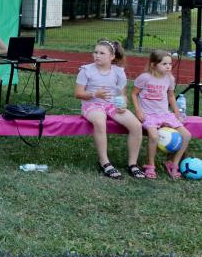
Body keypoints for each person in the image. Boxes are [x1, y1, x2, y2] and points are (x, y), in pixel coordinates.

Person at [74, 39, 145, 179]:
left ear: (112, 56)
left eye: (102, 53)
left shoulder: (118, 72)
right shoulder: (86, 70)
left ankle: (133, 164)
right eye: (95, 52)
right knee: (100, 121)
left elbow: (122, 94)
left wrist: (123, 104)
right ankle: (105, 162)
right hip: (92, 104)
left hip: (112, 105)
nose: (97, 55)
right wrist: (94, 94)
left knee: (136, 125)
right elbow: (78, 93)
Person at [132, 50, 193, 179]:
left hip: (165, 114)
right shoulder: (145, 78)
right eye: (164, 64)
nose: (168, 66)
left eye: (170, 64)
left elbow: (171, 96)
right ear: (153, 65)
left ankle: (173, 163)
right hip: (148, 115)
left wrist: (176, 112)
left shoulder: (169, 78)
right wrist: (138, 111)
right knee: (154, 136)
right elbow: (134, 94)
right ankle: (150, 165)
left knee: (186, 135)